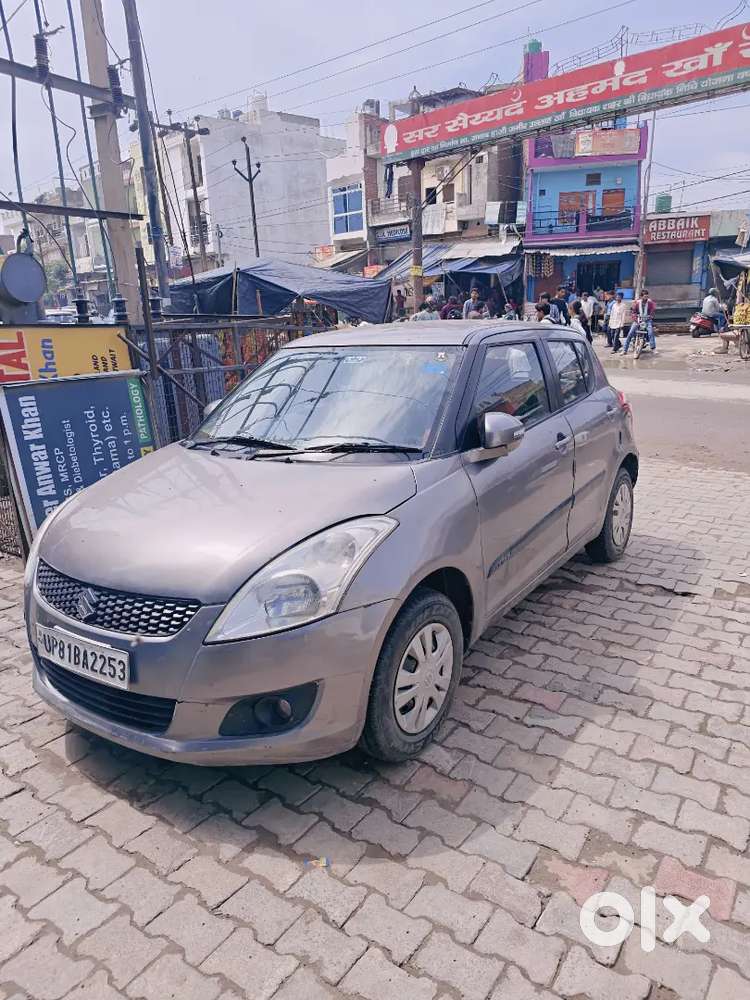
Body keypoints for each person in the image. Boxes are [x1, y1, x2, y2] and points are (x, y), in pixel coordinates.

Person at [623, 289, 657, 354]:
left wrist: (650, 316)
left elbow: (652, 311)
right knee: (630, 333)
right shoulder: (637, 303)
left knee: (650, 332)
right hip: (638, 320)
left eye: (647, 296)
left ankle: (653, 348)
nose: (646, 298)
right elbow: (633, 312)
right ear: (641, 297)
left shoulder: (650, 303)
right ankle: (625, 349)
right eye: (645, 296)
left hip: (647, 320)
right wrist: (636, 319)